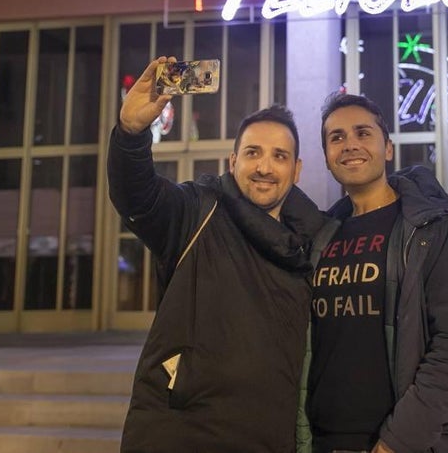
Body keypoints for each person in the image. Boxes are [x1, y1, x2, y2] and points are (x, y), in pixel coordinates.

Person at [109, 56, 325, 453]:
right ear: (233, 161)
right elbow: (137, 197)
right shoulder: (197, 210)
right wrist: (131, 132)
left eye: (279, 156)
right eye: (253, 153)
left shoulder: (315, 244)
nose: (264, 167)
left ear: (297, 171)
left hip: (269, 437)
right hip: (178, 434)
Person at [305, 93, 448, 453]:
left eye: (363, 133)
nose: (350, 145)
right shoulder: (318, 238)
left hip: (411, 443)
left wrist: (398, 442)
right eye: (337, 137)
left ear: (388, 148)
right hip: (327, 441)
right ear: (327, 156)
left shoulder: (434, 231)